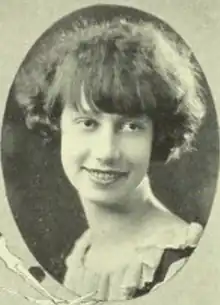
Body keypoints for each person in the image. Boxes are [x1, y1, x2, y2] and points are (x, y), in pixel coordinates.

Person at [14, 18, 206, 301]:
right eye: (88, 123)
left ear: (158, 135)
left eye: (131, 127)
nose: (106, 152)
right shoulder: (83, 253)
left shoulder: (177, 258)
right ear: (57, 124)